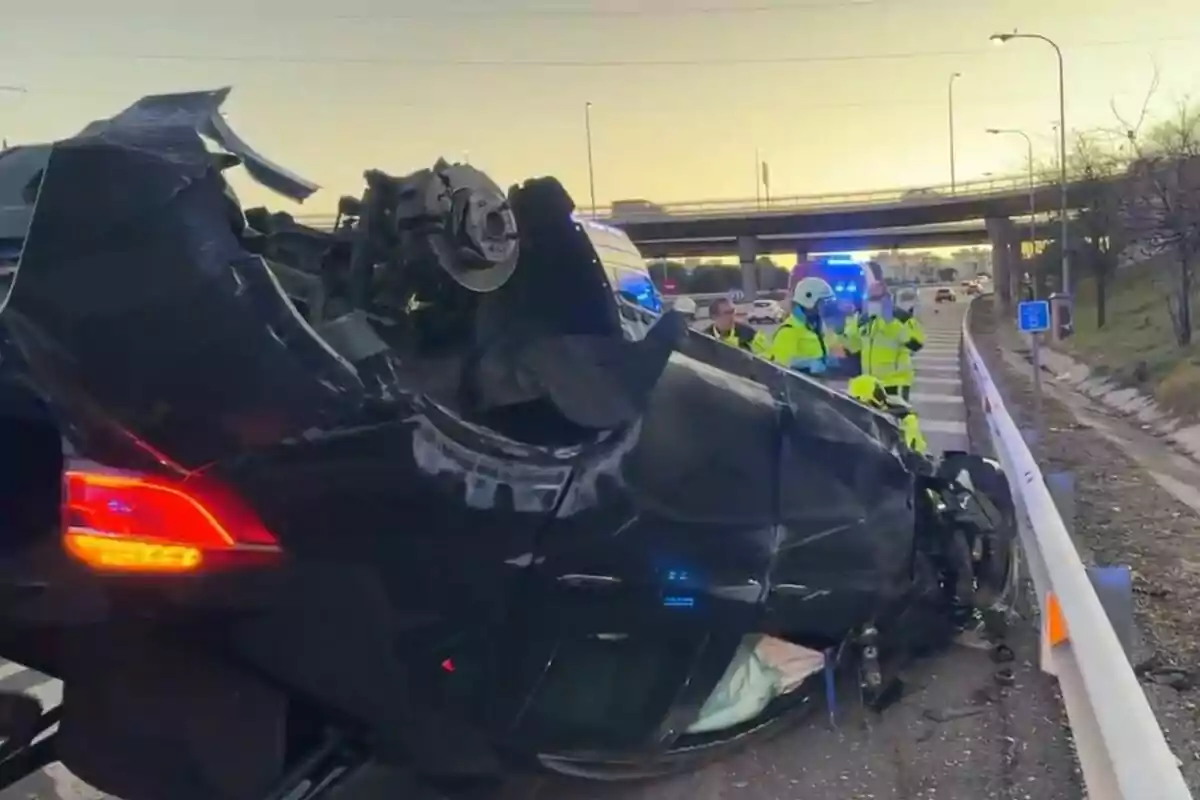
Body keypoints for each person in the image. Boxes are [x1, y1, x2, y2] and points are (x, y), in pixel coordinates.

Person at [843, 287, 923, 401]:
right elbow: (854, 347)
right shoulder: (864, 320)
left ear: (888, 300)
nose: (873, 302)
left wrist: (890, 322)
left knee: (897, 417)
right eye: (870, 298)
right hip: (870, 384)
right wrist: (848, 321)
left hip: (895, 383)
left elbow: (916, 344)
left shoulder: (902, 318)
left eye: (877, 299)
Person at [765, 278, 840, 375]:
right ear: (808, 301)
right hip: (799, 387)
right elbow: (781, 367)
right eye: (822, 302)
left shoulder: (818, 327)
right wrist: (807, 365)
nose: (825, 307)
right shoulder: (788, 331)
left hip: (818, 384)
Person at [847, 374, 927, 454]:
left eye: (880, 393)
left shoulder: (902, 416)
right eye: (878, 393)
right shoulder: (849, 422)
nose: (883, 397)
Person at [704, 297, 769, 355]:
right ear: (714, 317)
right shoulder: (704, 338)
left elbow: (765, 356)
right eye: (727, 313)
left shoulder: (748, 334)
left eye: (733, 311)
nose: (732, 316)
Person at [891, 293, 926, 402]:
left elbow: (918, 343)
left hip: (898, 378)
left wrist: (903, 336)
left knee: (898, 412)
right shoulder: (868, 320)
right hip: (874, 380)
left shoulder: (903, 319)